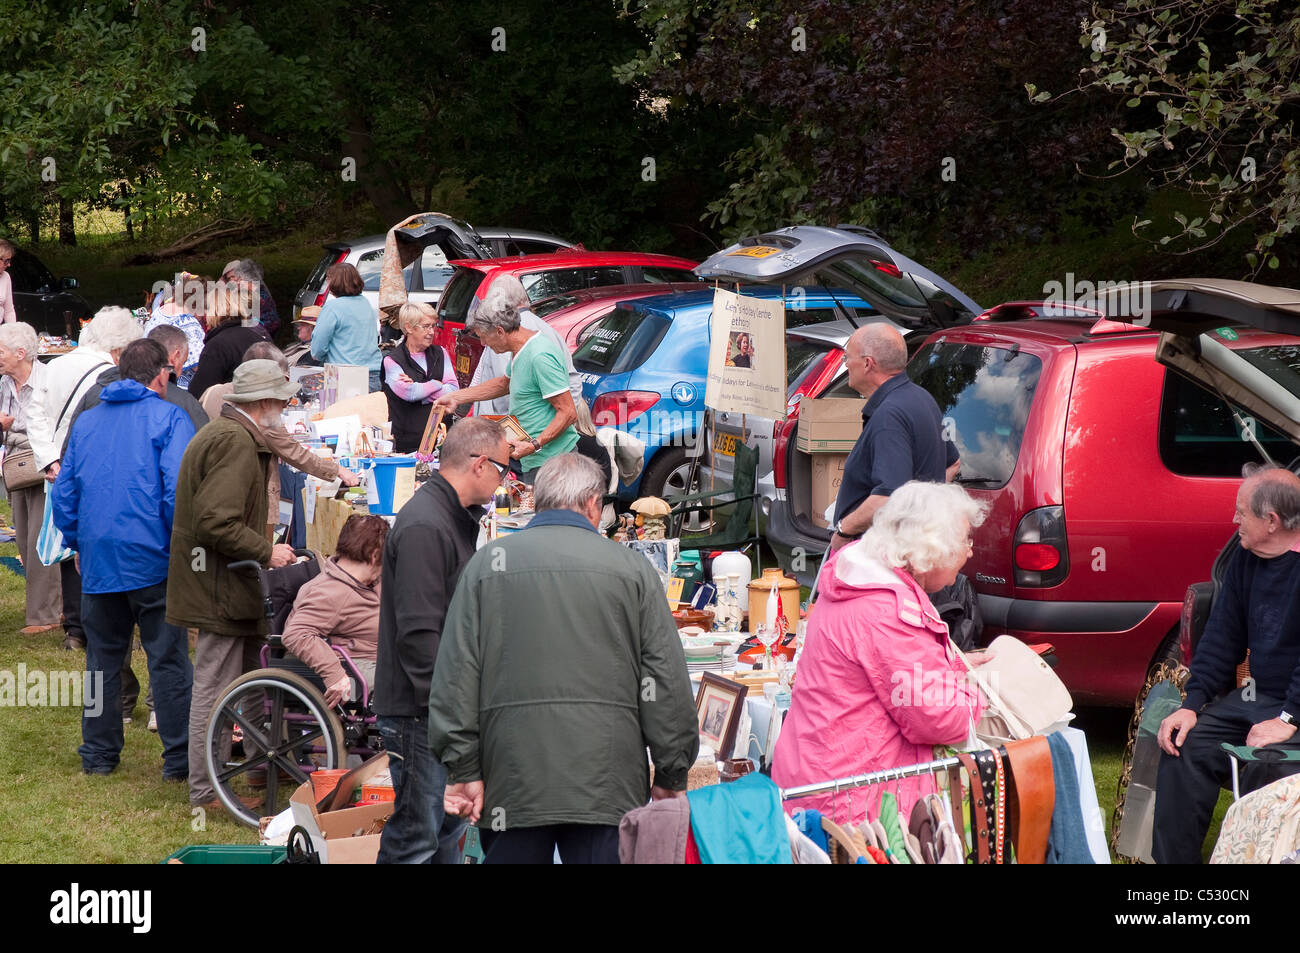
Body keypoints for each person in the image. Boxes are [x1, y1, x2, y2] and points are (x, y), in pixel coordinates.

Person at [431, 453, 700, 864]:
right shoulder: (630, 568)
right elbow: (664, 677)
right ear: (593, 504)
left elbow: (456, 675)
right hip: (605, 780)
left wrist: (463, 767)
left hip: (514, 778)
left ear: (540, 501)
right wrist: (671, 769)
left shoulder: (488, 565)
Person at [770, 480, 988, 824]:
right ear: (932, 549)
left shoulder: (860, 582)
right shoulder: (886, 610)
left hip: (818, 778)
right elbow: (937, 717)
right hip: (853, 800)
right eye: (964, 541)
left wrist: (953, 668)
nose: (971, 551)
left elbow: (889, 678)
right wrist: (978, 692)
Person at [51, 338, 196, 778]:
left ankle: (98, 756)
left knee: (102, 661)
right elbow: (179, 490)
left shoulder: (89, 422)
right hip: (153, 558)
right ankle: (179, 759)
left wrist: (78, 542)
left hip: (101, 559)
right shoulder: (170, 416)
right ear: (162, 374)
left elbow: (65, 492)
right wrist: (178, 546)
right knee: (167, 660)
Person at [372, 416, 509, 864]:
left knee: (444, 832)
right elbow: (418, 635)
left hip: (436, 710)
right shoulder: (426, 526)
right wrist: (448, 714)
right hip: (421, 713)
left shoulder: (447, 516)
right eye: (504, 470)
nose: (505, 482)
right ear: (480, 465)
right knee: (417, 836)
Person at [166, 359, 299, 812]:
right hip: (218, 586)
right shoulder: (235, 442)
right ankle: (206, 792)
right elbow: (213, 521)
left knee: (254, 679)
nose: (284, 407)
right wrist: (268, 551)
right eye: (281, 400)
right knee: (216, 689)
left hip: (226, 582)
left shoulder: (232, 434)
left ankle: (261, 766)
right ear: (263, 402)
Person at [1153, 465, 1300, 863]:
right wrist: (1191, 704)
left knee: (1263, 765)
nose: (1234, 519)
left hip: (1293, 707)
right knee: (1183, 744)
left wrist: (1288, 720)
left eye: (1241, 512)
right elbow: (1221, 637)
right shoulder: (1246, 559)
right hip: (1260, 698)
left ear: (1271, 521)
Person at [24, 309, 124, 650]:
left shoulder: (55, 366)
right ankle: (105, 624)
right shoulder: (113, 371)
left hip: (60, 465)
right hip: (100, 468)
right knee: (104, 544)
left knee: (69, 544)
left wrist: (49, 459)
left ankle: (76, 629)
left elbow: (33, 413)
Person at [828, 323, 959, 552]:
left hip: (879, 556)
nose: (846, 364)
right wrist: (921, 515)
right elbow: (953, 463)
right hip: (910, 550)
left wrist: (843, 531)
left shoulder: (889, 416)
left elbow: (889, 496)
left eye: (848, 358)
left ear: (868, 364)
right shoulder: (922, 398)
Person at [199, 342, 360, 524]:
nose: (283, 403)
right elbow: (294, 452)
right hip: (250, 501)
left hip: (213, 490)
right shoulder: (262, 415)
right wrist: (337, 469)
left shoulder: (212, 393)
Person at [281, 514, 386, 705]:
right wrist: (334, 674)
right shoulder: (332, 592)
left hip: (377, 656)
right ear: (375, 555)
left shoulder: (366, 580)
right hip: (357, 664)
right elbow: (295, 634)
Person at [0, 321, 62, 633]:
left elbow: (49, 423)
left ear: (21, 353)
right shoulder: (3, 383)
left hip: (40, 462)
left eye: (1, 352)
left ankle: (45, 616)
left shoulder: (48, 380)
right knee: (23, 537)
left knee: (41, 537)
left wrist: (14, 425)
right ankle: (49, 607)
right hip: (14, 465)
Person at [70, 324, 208, 435]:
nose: (181, 370)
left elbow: (70, 451)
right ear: (175, 356)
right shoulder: (183, 404)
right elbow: (202, 454)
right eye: (183, 362)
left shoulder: (94, 392)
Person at [382, 302, 458, 452]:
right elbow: (410, 393)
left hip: (441, 438)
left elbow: (453, 390)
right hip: (407, 442)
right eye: (426, 326)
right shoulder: (392, 360)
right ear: (409, 327)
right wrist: (437, 384)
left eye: (433, 326)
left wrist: (421, 391)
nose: (431, 332)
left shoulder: (440, 352)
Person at [186, 279, 271, 403]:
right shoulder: (258, 338)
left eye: (207, 308)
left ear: (215, 310)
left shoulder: (217, 346)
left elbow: (197, 393)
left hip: (229, 413)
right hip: (261, 409)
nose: (204, 313)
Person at [309, 263, 382, 392]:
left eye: (328, 279)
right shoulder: (365, 303)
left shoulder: (333, 307)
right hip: (375, 372)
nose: (327, 282)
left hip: (345, 375)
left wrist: (320, 357)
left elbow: (318, 348)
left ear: (335, 281)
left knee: (344, 412)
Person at [144, 272, 208, 389]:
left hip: (152, 379)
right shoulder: (188, 323)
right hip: (179, 388)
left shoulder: (160, 311)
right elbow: (200, 365)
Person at [222, 259, 279, 338]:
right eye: (230, 278)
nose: (237, 282)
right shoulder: (246, 295)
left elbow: (272, 323)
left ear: (249, 278)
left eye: (240, 279)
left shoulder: (260, 297)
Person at [0, 238, 17, 324]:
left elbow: (9, 311)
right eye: (6, 261)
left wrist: (13, 331)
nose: (9, 264)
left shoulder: (6, 277)